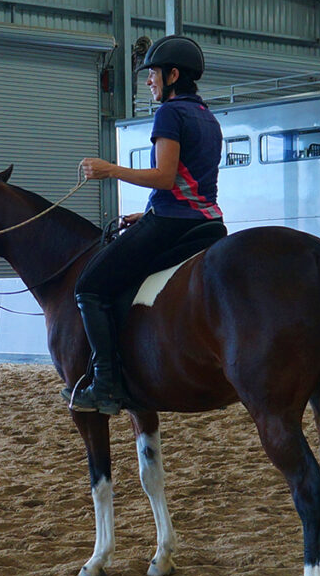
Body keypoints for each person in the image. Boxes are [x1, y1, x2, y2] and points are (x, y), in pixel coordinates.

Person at [66, 35, 224, 415]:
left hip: (173, 225)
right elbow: (192, 185)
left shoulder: (169, 114)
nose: (149, 81)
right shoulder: (207, 116)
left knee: (89, 286)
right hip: (209, 224)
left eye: (152, 74)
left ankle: (105, 383)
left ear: (172, 75)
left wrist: (110, 170)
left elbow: (166, 176)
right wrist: (147, 212)